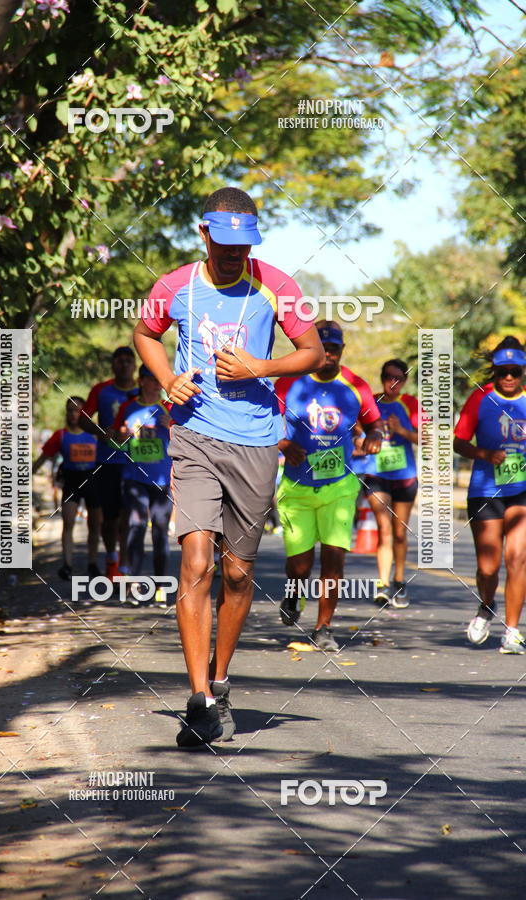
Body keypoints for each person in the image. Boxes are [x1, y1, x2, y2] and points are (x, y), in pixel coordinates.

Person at [133, 186, 325, 748]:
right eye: (224, 245)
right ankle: (200, 699)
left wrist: (258, 367)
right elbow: (145, 334)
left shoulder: (277, 286)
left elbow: (313, 352)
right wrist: (167, 380)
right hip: (194, 435)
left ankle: (221, 679)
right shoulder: (175, 285)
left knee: (238, 573)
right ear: (204, 235)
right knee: (196, 559)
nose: (234, 255)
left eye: (244, 246)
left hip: (257, 442)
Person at [276, 321, 383, 649]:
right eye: (323, 349)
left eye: (334, 349)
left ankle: (324, 628)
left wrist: (375, 436)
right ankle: (294, 594)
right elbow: (263, 420)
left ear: (341, 350)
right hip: (296, 486)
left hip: (340, 486)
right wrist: (282, 443)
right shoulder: (288, 382)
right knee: (299, 565)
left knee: (334, 558)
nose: (329, 355)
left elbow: (374, 422)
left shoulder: (356, 385)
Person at [454, 336, 526, 654]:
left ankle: (512, 631)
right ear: (494, 371)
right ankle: (486, 606)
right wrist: (483, 453)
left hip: (521, 491)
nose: (508, 377)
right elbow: (458, 441)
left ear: (523, 371)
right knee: (488, 567)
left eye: (515, 371)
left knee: (518, 559)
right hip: (486, 490)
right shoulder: (480, 398)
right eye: (502, 371)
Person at [109, 365, 173, 605]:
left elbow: (187, 438)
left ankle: (161, 585)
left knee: (160, 530)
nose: (157, 383)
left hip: (162, 480)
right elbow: (114, 438)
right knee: (136, 525)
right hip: (134, 477)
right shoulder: (128, 407)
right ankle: (133, 583)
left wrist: (172, 426)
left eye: (159, 380)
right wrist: (121, 435)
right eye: (152, 379)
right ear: (142, 381)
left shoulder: (168, 407)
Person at [361, 358, 419, 607]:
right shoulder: (371, 403)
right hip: (377, 475)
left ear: (405, 381)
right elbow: (356, 432)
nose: (392, 383)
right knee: (384, 529)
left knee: (399, 533)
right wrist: (361, 441)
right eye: (388, 377)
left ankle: (399, 581)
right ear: (382, 378)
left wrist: (402, 431)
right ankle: (383, 584)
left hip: (405, 477)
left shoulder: (410, 404)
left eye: (398, 378)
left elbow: (427, 438)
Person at [79, 346, 139, 580]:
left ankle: (123, 565)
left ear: (134, 366)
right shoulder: (101, 390)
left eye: (128, 361)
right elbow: (83, 419)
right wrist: (100, 431)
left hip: (135, 462)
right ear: (113, 365)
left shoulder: (142, 390)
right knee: (109, 520)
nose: (124, 365)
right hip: (106, 462)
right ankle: (111, 555)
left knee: (128, 516)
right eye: (119, 361)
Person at [33, 396, 101, 580]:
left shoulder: (95, 434)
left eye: (78, 410)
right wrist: (27, 473)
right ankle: (67, 565)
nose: (73, 414)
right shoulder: (61, 435)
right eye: (70, 410)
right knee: (68, 521)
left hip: (93, 481)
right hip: (71, 482)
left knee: (95, 524)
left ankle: (93, 564)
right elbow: (44, 457)